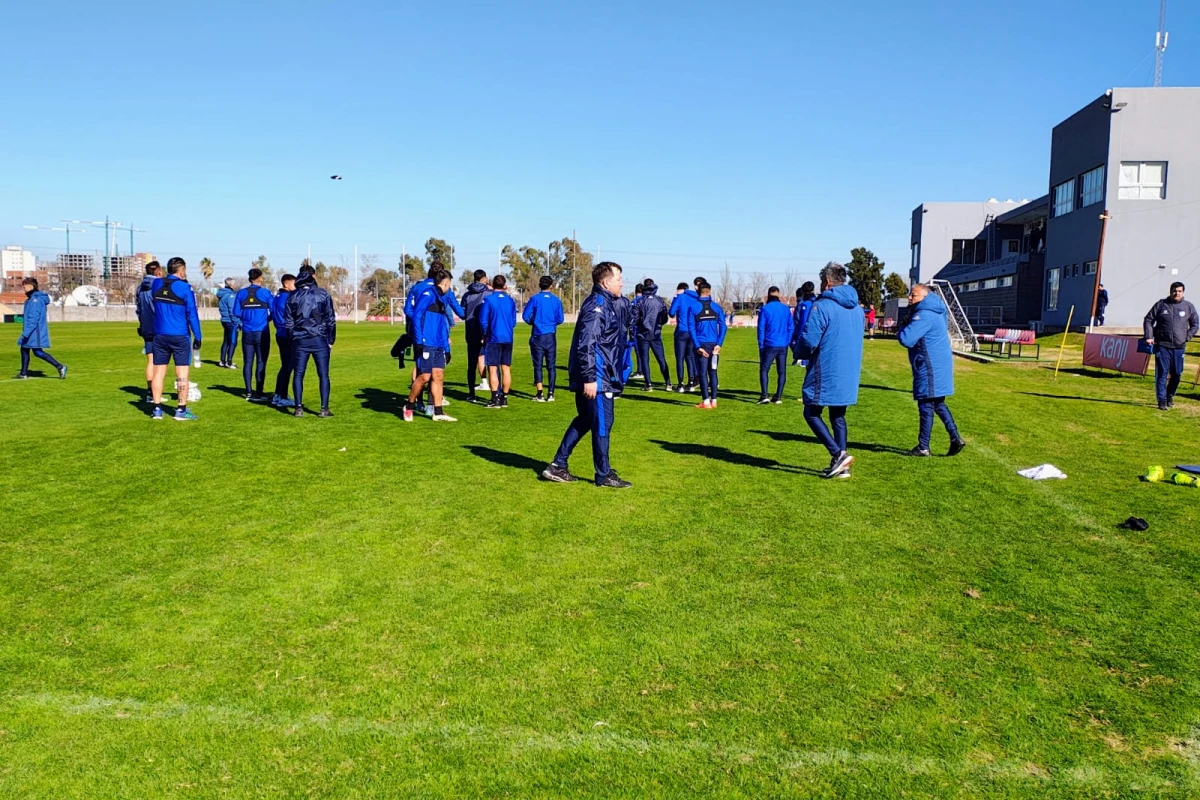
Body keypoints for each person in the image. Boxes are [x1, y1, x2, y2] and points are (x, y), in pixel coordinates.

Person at [542, 262, 632, 489]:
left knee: (585, 420)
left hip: (600, 374)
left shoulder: (606, 303)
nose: (622, 282)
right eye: (619, 278)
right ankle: (603, 474)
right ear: (606, 282)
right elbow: (587, 344)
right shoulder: (598, 306)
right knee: (603, 423)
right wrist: (591, 378)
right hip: (597, 378)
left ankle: (557, 465)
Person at [798, 262, 864, 478]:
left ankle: (838, 454)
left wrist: (798, 351)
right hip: (849, 369)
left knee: (811, 412)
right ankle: (842, 466)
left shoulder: (823, 306)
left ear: (826, 282)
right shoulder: (857, 308)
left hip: (826, 367)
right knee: (838, 415)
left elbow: (809, 339)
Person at [897, 284, 967, 457]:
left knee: (925, 404)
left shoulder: (925, 315)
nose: (909, 298)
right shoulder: (937, 310)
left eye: (913, 295)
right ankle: (955, 438)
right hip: (938, 363)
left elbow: (907, 338)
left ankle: (923, 447)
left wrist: (901, 327)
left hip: (929, 365)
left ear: (924, 297)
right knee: (937, 403)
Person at [148, 257, 203, 421]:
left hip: (159, 334)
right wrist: (198, 336)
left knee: (158, 373)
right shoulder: (185, 288)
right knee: (182, 374)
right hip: (179, 335)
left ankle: (157, 409)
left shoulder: (156, 284)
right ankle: (181, 410)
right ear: (182, 270)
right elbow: (192, 314)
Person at [403, 268, 457, 423]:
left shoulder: (443, 298)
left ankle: (438, 411)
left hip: (439, 343)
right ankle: (409, 406)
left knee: (438, 376)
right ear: (445, 283)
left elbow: (442, 324)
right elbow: (416, 316)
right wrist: (419, 340)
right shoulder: (428, 294)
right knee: (424, 377)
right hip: (426, 342)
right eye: (449, 284)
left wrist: (446, 347)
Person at [285, 264, 336, 417]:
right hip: (319, 339)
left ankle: (298, 408)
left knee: (299, 374)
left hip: (300, 340)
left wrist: (292, 338)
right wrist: (331, 339)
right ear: (313, 276)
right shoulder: (322, 294)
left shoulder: (293, 296)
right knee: (323, 375)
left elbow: (289, 322)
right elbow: (330, 319)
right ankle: (323, 408)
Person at [1143, 281, 1199, 410]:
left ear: (1183, 292)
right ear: (1170, 291)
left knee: (1177, 374)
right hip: (1162, 345)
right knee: (1162, 373)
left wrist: (1187, 336)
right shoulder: (1161, 305)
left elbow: (1195, 324)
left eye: (1179, 291)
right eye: (1174, 291)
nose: (1176, 293)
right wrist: (1149, 337)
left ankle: (1169, 395)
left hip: (1179, 347)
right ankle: (1161, 400)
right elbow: (1148, 319)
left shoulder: (1188, 307)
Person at [232, 268, 274, 402]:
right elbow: (273, 311)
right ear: (260, 278)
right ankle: (259, 391)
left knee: (248, 362)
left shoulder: (241, 293)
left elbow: (236, 312)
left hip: (247, 332)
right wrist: (265, 320)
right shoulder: (265, 293)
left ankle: (249, 391)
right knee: (261, 362)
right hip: (262, 332)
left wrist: (245, 320)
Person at [684, 281, 727, 409]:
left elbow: (691, 328)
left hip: (701, 344)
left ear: (698, 292)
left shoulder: (693, 307)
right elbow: (724, 326)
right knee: (713, 372)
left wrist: (697, 347)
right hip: (714, 345)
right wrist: (719, 344)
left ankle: (706, 402)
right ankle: (714, 400)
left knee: (702, 373)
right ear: (710, 291)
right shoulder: (716, 307)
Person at [522, 275, 565, 402]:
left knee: (538, 365)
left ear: (540, 285)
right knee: (551, 366)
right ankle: (551, 393)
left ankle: (540, 393)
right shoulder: (556, 300)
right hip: (551, 335)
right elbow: (560, 319)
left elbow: (525, 316)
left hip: (538, 335)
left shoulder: (535, 299)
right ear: (551, 286)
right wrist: (551, 323)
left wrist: (534, 322)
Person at [15, 277, 67, 380]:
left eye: (24, 285)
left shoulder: (36, 300)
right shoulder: (31, 299)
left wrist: (25, 333)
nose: (23, 288)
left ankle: (60, 367)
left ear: (31, 286)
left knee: (37, 352)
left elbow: (33, 318)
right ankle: (23, 373)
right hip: (32, 330)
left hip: (35, 331)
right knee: (24, 349)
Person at [480, 274, 517, 409]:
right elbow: (513, 321)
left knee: (493, 368)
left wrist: (485, 334)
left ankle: (495, 397)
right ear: (504, 285)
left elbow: (483, 321)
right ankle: (505, 397)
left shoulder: (488, 300)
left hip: (494, 337)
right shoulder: (511, 301)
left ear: (493, 285)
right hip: (508, 337)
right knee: (506, 368)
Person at [756, 286, 794, 404]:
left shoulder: (765, 309)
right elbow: (791, 327)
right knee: (781, 371)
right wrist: (787, 341)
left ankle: (764, 395)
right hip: (783, 344)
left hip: (770, 343)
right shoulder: (786, 309)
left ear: (768, 295)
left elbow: (761, 328)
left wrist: (761, 345)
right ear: (779, 295)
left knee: (764, 369)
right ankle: (778, 396)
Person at [633, 278, 672, 391]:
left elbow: (635, 318)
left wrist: (641, 325)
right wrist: (658, 325)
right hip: (656, 333)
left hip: (643, 334)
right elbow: (665, 317)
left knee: (645, 359)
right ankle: (668, 383)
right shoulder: (659, 300)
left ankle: (648, 384)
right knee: (661, 359)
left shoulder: (640, 301)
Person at [462, 269, 492, 400]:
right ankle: (495, 395)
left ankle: (471, 393)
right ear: (484, 278)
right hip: (486, 331)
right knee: (492, 363)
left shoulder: (467, 295)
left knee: (471, 364)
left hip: (471, 330)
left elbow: (463, 311)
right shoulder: (489, 293)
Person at [668, 279, 702, 392]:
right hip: (693, 331)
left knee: (680, 358)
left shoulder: (680, 298)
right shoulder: (695, 297)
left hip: (681, 331)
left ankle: (680, 384)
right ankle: (691, 382)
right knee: (690, 357)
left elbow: (671, 313)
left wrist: (676, 298)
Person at [136, 260, 162, 400]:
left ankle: (150, 392)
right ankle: (157, 393)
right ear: (157, 271)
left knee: (150, 360)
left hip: (146, 326)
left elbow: (138, 309)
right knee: (160, 362)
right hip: (159, 326)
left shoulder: (140, 288)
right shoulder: (158, 286)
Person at [269, 274, 297, 408]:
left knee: (285, 365)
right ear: (286, 284)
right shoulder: (287, 298)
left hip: (279, 332)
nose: (295, 286)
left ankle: (278, 394)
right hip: (287, 333)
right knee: (288, 366)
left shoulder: (276, 297)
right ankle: (283, 396)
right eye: (293, 284)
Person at [791, 282, 816, 365]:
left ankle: (803, 360)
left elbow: (802, 321)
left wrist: (797, 334)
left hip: (807, 333)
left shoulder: (805, 304)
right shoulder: (818, 302)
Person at [217, 278, 239, 368]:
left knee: (226, 341)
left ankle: (222, 360)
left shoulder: (222, 294)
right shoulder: (231, 295)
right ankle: (229, 362)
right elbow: (232, 310)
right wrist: (237, 322)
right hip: (230, 321)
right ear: (232, 285)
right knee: (233, 342)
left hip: (224, 320)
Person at [629, 282, 645, 379]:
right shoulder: (645, 301)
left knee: (638, 350)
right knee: (643, 350)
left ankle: (640, 371)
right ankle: (643, 369)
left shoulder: (634, 302)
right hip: (644, 328)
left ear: (635, 291)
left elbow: (631, 316)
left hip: (635, 328)